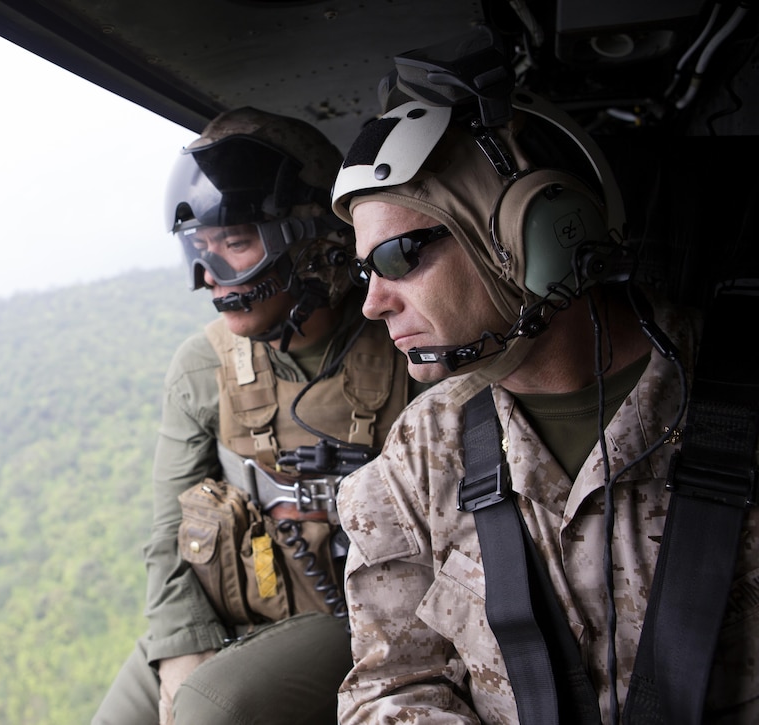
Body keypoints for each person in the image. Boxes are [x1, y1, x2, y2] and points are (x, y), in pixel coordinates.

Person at [326, 71, 759, 723]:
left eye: (398, 256)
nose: (373, 301)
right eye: (366, 269)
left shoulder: (738, 393)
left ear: (530, 236)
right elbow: (389, 684)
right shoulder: (420, 452)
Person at [91, 107, 413, 725]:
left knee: (214, 711)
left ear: (317, 243)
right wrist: (181, 646)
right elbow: (167, 533)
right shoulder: (200, 367)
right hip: (239, 604)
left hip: (353, 615)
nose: (211, 275)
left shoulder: (404, 344)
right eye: (200, 248)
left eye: (235, 244)